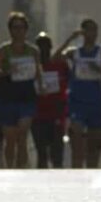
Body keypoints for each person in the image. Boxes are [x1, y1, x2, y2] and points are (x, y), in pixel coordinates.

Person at [0, 11, 42, 169]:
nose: (18, 31)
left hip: (27, 97)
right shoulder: (3, 50)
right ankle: (10, 169)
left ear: (26, 30)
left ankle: (21, 170)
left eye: (21, 27)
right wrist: (6, 72)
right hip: (8, 97)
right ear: (10, 30)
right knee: (10, 140)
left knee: (23, 135)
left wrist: (43, 86)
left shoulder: (33, 51)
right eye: (15, 27)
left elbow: (38, 74)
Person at [59, 19, 101, 168]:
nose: (92, 33)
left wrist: (98, 69)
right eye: (88, 30)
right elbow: (54, 58)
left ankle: (92, 172)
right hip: (77, 103)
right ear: (83, 32)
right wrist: (70, 39)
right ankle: (76, 174)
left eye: (95, 30)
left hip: (96, 102)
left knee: (93, 145)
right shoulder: (74, 53)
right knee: (77, 143)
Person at [33, 32, 70, 168]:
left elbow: (70, 82)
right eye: (40, 46)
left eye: (46, 46)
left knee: (57, 155)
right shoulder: (32, 68)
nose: (43, 49)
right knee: (41, 154)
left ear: (51, 47)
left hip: (57, 116)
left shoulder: (61, 66)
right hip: (38, 116)